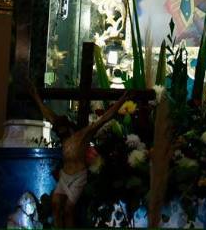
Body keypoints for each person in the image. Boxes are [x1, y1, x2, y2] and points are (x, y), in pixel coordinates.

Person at [27, 82, 130, 228]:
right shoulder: (64, 136)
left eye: (61, 130)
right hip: (65, 176)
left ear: (68, 128)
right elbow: (48, 114)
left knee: (68, 209)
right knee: (56, 205)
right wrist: (36, 97)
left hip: (78, 176)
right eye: (58, 131)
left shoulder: (82, 136)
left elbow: (105, 118)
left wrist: (122, 100)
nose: (59, 133)